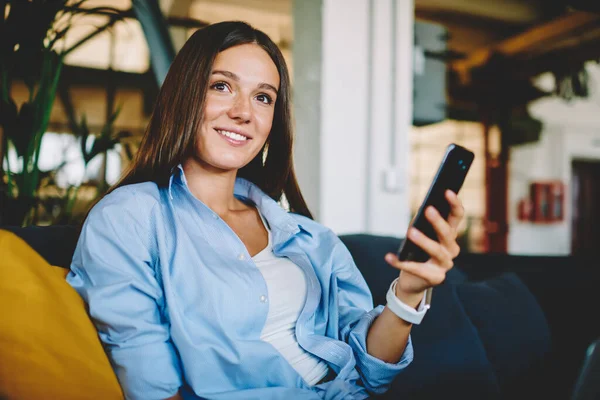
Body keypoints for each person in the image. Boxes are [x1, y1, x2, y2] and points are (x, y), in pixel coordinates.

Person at [67, 21, 464, 400]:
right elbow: (146, 373)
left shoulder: (309, 238)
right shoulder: (130, 218)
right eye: (222, 86)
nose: (244, 112)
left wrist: (408, 293)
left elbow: (372, 373)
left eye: (263, 97)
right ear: (184, 94)